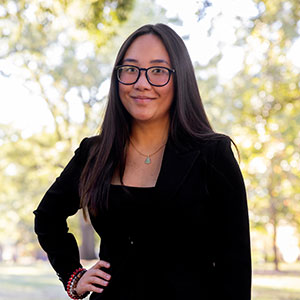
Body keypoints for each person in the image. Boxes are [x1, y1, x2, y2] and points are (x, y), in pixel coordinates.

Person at [34, 23, 251, 300]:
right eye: (130, 69)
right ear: (118, 77)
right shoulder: (94, 153)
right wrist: (73, 276)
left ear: (179, 78)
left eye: (158, 70)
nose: (142, 83)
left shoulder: (213, 154)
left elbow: (235, 264)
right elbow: (47, 217)